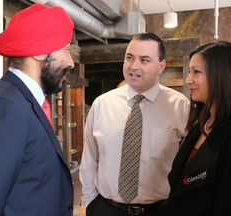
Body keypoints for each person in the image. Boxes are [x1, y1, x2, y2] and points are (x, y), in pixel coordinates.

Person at [79, 32, 190, 216]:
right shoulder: (102, 104)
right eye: (129, 57)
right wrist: (90, 203)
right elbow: (90, 159)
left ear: (161, 66)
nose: (134, 66)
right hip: (107, 209)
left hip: (160, 210)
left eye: (144, 60)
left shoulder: (180, 107)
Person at [0, 4, 75, 216]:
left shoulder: (23, 101)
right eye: (66, 49)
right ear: (41, 52)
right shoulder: (4, 106)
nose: (70, 62)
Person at [167, 41, 231, 215]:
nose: (188, 79)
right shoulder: (200, 126)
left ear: (222, 75)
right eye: (190, 72)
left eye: (196, 72)